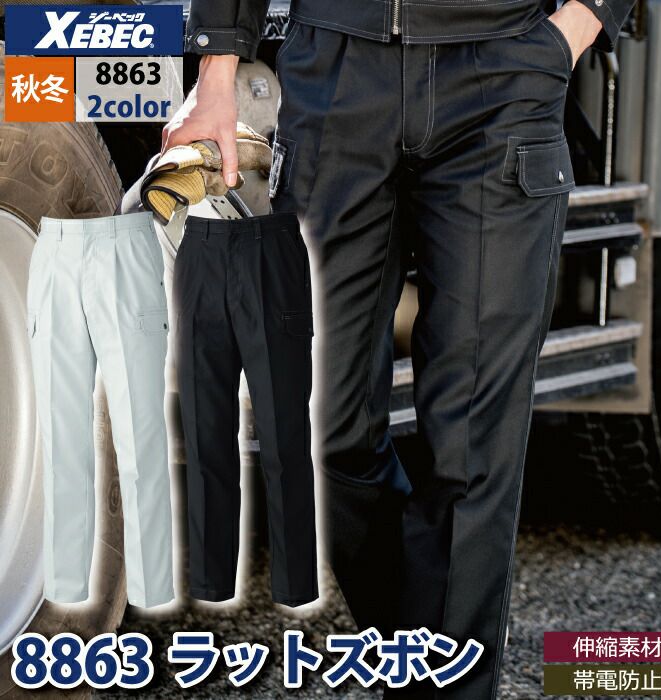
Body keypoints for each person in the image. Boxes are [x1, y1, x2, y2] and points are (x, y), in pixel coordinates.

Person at [164, 0, 635, 696]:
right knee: (318, 429)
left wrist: (576, 26)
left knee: (473, 448)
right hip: (337, 69)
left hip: (503, 71)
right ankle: (426, 654)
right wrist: (217, 67)